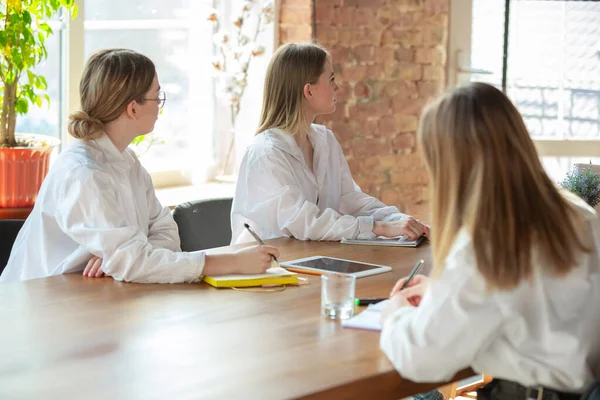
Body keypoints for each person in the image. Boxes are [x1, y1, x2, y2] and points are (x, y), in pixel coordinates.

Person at [381, 82, 600, 399]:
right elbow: (530, 302)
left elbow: (420, 358)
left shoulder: (487, 245)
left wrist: (395, 312)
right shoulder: (577, 214)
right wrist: (444, 292)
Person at [0, 49, 278, 284]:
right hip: (39, 310)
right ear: (133, 109)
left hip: (92, 302)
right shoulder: (82, 173)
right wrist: (229, 261)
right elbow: (132, 261)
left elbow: (166, 232)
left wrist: (122, 258)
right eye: (157, 96)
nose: (160, 105)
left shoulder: (127, 161)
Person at [230, 42, 429, 245]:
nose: (338, 87)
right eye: (331, 79)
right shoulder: (266, 153)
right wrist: (379, 228)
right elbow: (302, 221)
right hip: (269, 268)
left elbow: (350, 200)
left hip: (313, 260)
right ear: (308, 91)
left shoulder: (325, 140)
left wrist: (401, 221)